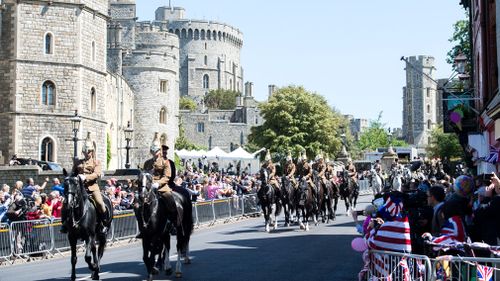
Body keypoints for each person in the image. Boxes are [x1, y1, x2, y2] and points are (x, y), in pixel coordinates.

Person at [61, 132, 109, 234]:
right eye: (84, 152)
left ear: (91, 152)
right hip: (78, 188)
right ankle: (64, 224)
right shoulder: (78, 162)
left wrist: (85, 177)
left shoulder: (97, 162)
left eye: (88, 152)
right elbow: (73, 173)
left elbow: (96, 174)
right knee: (66, 203)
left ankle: (104, 224)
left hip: (92, 187)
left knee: (100, 203)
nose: (86, 154)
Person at [135, 133, 179, 239]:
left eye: (156, 151)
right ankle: (142, 227)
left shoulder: (166, 162)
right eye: (153, 151)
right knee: (136, 205)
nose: (154, 153)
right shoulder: (147, 163)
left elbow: (167, 176)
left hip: (162, 186)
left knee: (171, 201)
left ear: (159, 151)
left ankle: (172, 224)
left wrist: (158, 183)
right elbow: (143, 175)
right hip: (149, 187)